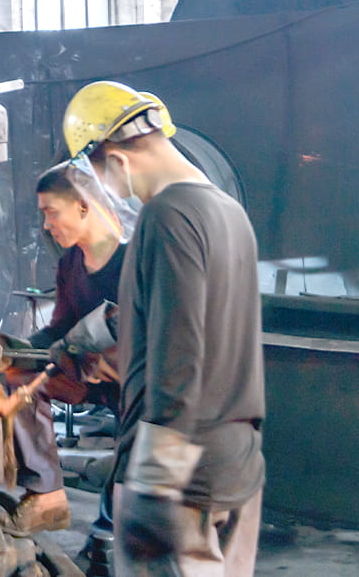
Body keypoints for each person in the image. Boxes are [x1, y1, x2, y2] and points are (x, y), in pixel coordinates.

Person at [62, 80, 264, 577]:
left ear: (115, 157)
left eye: (95, 173)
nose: (104, 187)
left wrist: (154, 484)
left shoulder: (167, 216)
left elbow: (179, 358)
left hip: (182, 480)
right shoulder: (229, 211)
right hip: (237, 462)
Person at [0, 161, 126, 535]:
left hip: (138, 387)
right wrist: (8, 347)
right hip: (86, 377)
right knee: (16, 377)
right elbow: (58, 331)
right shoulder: (70, 263)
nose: (46, 225)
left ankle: (114, 530)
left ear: (83, 207)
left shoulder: (134, 261)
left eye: (52, 213)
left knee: (126, 504)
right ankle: (46, 498)